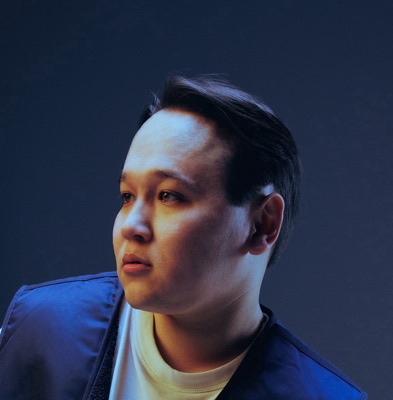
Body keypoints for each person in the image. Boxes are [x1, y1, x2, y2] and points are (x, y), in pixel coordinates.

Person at [0, 75, 367, 399]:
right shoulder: (40, 331)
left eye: (169, 196)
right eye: (127, 196)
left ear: (262, 224)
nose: (131, 226)